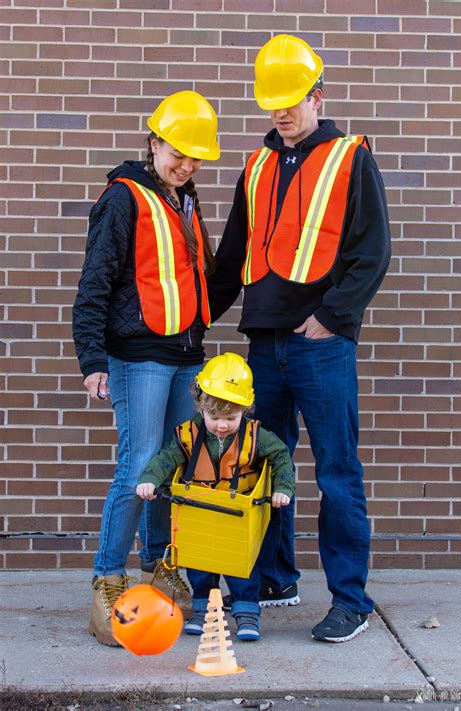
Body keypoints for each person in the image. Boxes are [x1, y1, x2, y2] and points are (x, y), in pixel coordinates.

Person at [206, 35, 391, 643]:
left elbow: (371, 252)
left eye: (291, 100)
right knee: (260, 468)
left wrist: (334, 317)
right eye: (272, 103)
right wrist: (195, 315)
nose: (281, 112)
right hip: (264, 346)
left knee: (337, 473)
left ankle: (350, 600)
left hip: (322, 345)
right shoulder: (255, 166)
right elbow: (233, 256)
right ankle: (275, 579)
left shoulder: (349, 156)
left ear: (317, 95)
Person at [72, 90, 220, 647]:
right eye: (177, 150)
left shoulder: (185, 200)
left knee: (175, 466)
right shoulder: (123, 199)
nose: (185, 163)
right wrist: (92, 360)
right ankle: (108, 584)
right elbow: (94, 283)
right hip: (139, 357)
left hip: (185, 357)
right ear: (154, 141)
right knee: (138, 466)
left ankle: (162, 575)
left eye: (195, 156)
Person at [136, 352, 295, 641]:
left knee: (242, 568)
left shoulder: (256, 436)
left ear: (246, 408)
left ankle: (247, 614)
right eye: (214, 417)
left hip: (238, 516)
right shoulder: (188, 434)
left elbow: (281, 456)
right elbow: (166, 458)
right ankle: (203, 611)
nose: (222, 425)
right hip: (199, 513)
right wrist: (149, 479)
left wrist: (283, 489)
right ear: (200, 408)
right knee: (200, 567)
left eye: (231, 418)